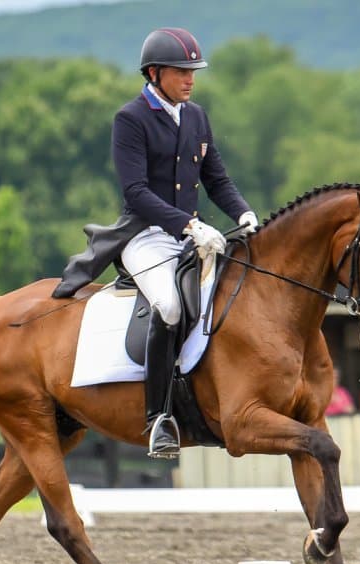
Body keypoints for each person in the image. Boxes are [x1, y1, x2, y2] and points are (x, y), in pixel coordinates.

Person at [53, 27, 257, 459]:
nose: (190, 79)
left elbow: (216, 178)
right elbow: (137, 193)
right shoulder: (131, 119)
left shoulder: (196, 116)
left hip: (191, 236)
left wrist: (242, 212)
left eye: (193, 71)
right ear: (154, 72)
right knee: (168, 306)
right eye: (182, 71)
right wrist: (189, 225)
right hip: (144, 237)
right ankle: (158, 418)